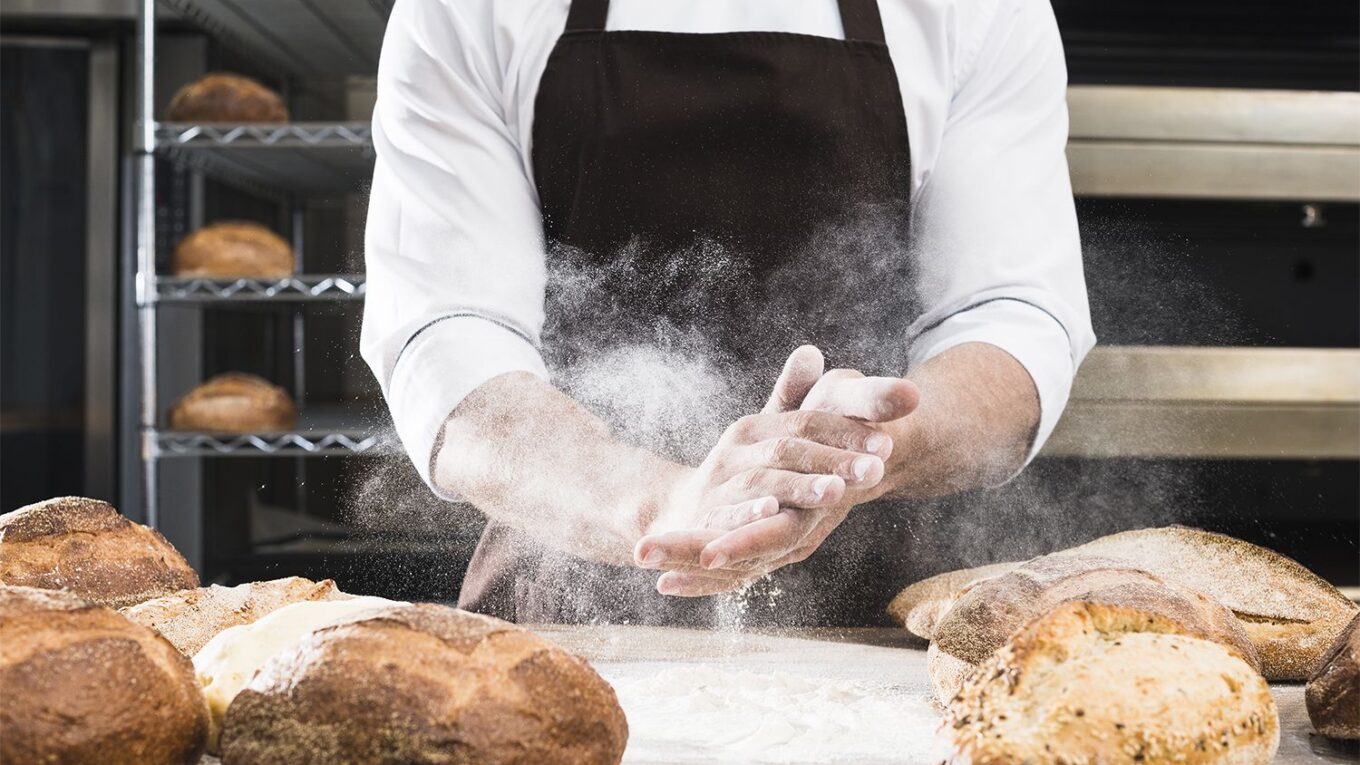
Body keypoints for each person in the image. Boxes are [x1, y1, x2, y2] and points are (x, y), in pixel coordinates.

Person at [362, 0, 1094, 626]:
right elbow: (449, 337)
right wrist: (660, 500)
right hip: (564, 609)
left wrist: (859, 449)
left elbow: (1010, 315)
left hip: (877, 617)